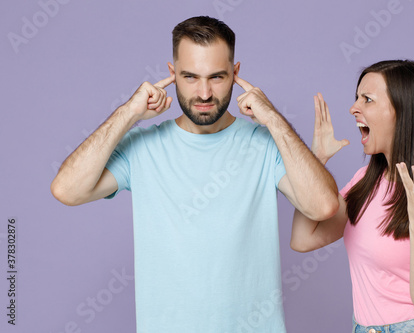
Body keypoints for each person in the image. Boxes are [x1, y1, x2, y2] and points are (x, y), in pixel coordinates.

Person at [51, 16, 338, 332]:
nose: (204, 93)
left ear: (236, 74)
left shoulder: (266, 145)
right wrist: (128, 113)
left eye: (216, 77)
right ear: (172, 74)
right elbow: (67, 190)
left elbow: (323, 207)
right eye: (190, 77)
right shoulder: (143, 148)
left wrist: (272, 118)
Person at [290, 60, 414, 332]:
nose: (353, 108)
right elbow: (303, 239)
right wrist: (317, 160)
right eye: (356, 98)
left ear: (402, 111)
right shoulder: (364, 182)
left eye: (368, 100)